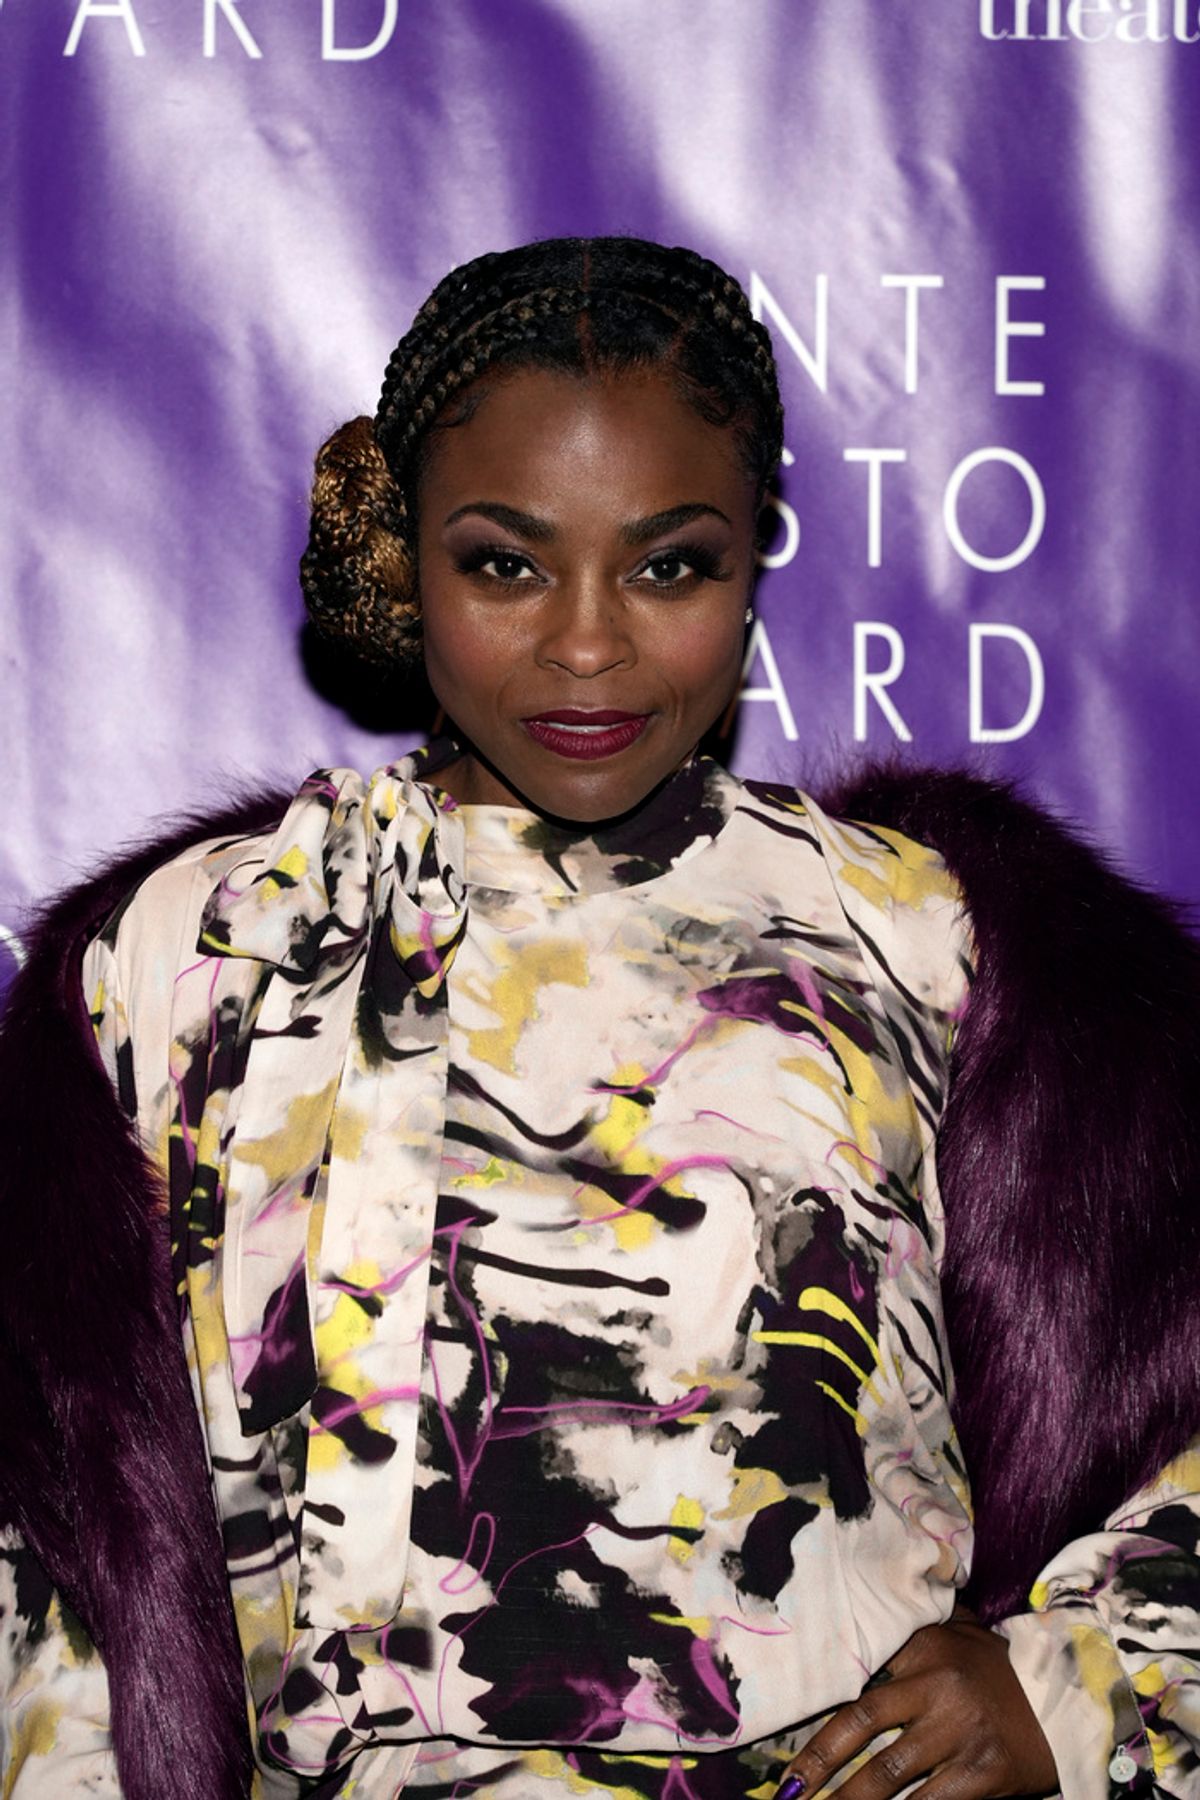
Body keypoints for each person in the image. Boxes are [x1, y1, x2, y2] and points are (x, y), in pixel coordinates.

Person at [1, 237, 1199, 1800]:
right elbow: (57, 1537)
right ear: (400, 551)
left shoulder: (933, 940)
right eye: (505, 561)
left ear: (754, 561)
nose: (586, 641)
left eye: (668, 564)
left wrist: (1076, 1685)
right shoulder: (202, 950)